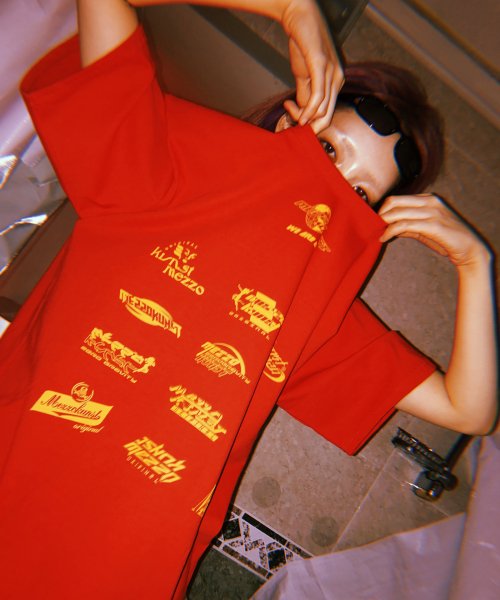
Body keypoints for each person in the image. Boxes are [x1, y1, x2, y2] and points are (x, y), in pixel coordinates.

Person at [0, 1, 496, 598]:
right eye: (330, 150)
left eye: (360, 194)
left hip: (123, 572)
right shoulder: (166, 165)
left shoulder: (316, 314)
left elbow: (471, 412)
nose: (331, 193)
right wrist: (288, 7)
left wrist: (476, 264)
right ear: (289, 124)